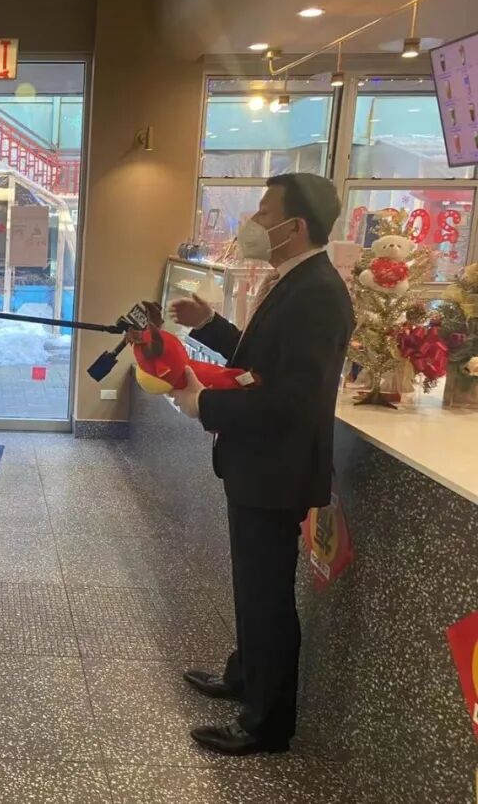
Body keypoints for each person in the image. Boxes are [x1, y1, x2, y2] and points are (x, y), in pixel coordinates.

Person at [167, 173, 355, 755]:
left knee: (268, 595)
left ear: (295, 226)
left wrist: (204, 404)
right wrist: (209, 325)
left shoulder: (318, 293)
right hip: (258, 464)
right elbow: (260, 364)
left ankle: (266, 724)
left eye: (264, 212)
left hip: (277, 469)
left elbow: (291, 400)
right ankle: (245, 676)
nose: (253, 222)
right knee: (252, 586)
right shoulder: (293, 280)